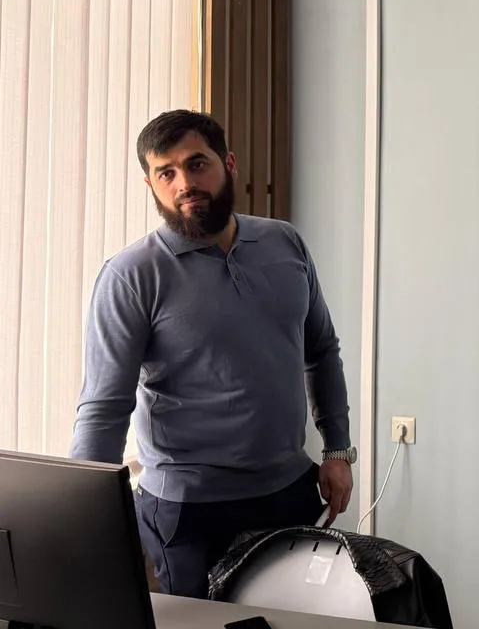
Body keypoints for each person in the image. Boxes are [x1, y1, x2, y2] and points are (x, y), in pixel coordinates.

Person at [70, 110, 357, 599]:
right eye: (166, 173)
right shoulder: (131, 275)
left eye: (196, 164)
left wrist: (337, 450)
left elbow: (322, 350)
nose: (185, 183)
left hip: (290, 492)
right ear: (151, 185)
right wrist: (84, 519)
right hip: (188, 512)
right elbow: (104, 408)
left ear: (229, 164)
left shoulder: (284, 242)